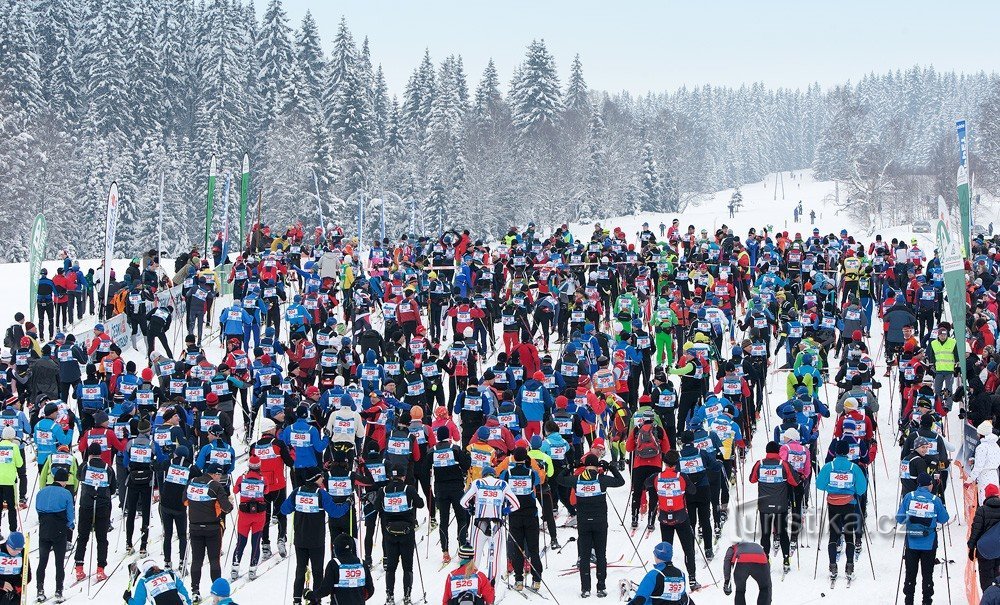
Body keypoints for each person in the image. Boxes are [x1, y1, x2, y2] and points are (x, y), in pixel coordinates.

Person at [556, 453, 625, 598]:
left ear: (585, 465)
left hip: (584, 523)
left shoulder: (578, 479)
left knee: (585, 556)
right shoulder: (601, 479)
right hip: (600, 522)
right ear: (597, 465)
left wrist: (570, 467)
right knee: (601, 555)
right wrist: (611, 467)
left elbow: (560, 479)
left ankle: (585, 589)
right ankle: (601, 587)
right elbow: (621, 481)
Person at [279, 468, 351, 605]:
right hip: (316, 540)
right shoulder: (321, 494)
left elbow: (284, 509)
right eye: (320, 477)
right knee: (317, 571)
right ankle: (315, 600)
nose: (323, 479)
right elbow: (335, 512)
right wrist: (348, 503)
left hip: (300, 539)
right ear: (315, 478)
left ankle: (296, 599)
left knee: (300, 569)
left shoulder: (297, 492)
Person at [815, 439, 868, 583]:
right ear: (847, 452)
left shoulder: (829, 466)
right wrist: (851, 489)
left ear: (836, 451)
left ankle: (833, 566)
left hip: (833, 504)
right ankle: (849, 566)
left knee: (834, 535)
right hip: (849, 503)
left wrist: (831, 488)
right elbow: (862, 489)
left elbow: (819, 484)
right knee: (849, 536)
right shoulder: (853, 467)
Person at [374, 466, 425, 605]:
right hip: (407, 533)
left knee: (391, 567)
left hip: (389, 534)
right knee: (407, 566)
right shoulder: (409, 489)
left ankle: (389, 596)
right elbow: (421, 504)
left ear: (391, 476)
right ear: (403, 476)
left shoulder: (383, 490)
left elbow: (377, 507)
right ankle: (407, 596)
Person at [896, 472, 949, 605]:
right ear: (930, 485)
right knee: (927, 574)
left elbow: (900, 519)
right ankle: (927, 601)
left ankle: (909, 600)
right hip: (929, 543)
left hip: (912, 542)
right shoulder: (935, 500)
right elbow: (944, 519)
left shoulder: (909, 497)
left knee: (910, 573)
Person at [187, 463, 234, 602]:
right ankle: (217, 592)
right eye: (219, 475)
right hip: (212, 528)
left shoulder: (192, 482)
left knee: (197, 560)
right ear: (214, 474)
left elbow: (184, 501)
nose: (220, 478)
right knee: (214, 560)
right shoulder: (215, 486)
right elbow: (227, 508)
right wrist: (227, 501)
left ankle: (195, 590)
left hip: (195, 527)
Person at [75, 442, 114, 583]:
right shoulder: (107, 468)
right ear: (101, 453)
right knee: (101, 538)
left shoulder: (85, 466)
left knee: (83, 536)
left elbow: (79, 477)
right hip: (102, 507)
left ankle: (79, 568)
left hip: (86, 505)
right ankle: (100, 569)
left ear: (90, 453)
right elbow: (113, 488)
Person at [35, 468, 75, 603]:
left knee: (42, 562)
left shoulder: (41, 492)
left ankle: (40, 590)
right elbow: (70, 514)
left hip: (44, 530)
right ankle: (58, 591)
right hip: (59, 531)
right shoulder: (66, 493)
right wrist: (70, 525)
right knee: (59, 563)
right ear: (64, 481)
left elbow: (38, 510)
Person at [306, 533, 374, 605]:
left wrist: (310, 595)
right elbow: (370, 590)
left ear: (337, 548)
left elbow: (325, 590)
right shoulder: (362, 563)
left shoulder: (334, 564)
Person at [627, 542, 694, 605]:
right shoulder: (681, 574)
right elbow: (683, 597)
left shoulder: (654, 574)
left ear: (656, 556)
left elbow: (640, 599)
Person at [969, 483, 1000, 592]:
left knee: (986, 578)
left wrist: (971, 547)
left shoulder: (981, 510)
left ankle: (988, 598)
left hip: (985, 551)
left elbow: (975, 531)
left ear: (986, 496)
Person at [127, 557, 194, 605]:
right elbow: (183, 592)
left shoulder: (144, 581)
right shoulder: (170, 574)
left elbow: (138, 603)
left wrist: (128, 599)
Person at [0, 427, 23, 531]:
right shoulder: (14, 447)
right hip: (10, 481)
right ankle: (13, 530)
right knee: (11, 507)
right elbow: (20, 463)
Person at [0, 532, 27, 605]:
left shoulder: (23, 552)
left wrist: (17, 587)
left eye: (20, 549)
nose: (17, 552)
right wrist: (2, 584)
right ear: (8, 545)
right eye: (14, 549)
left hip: (14, 591)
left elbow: (27, 574)